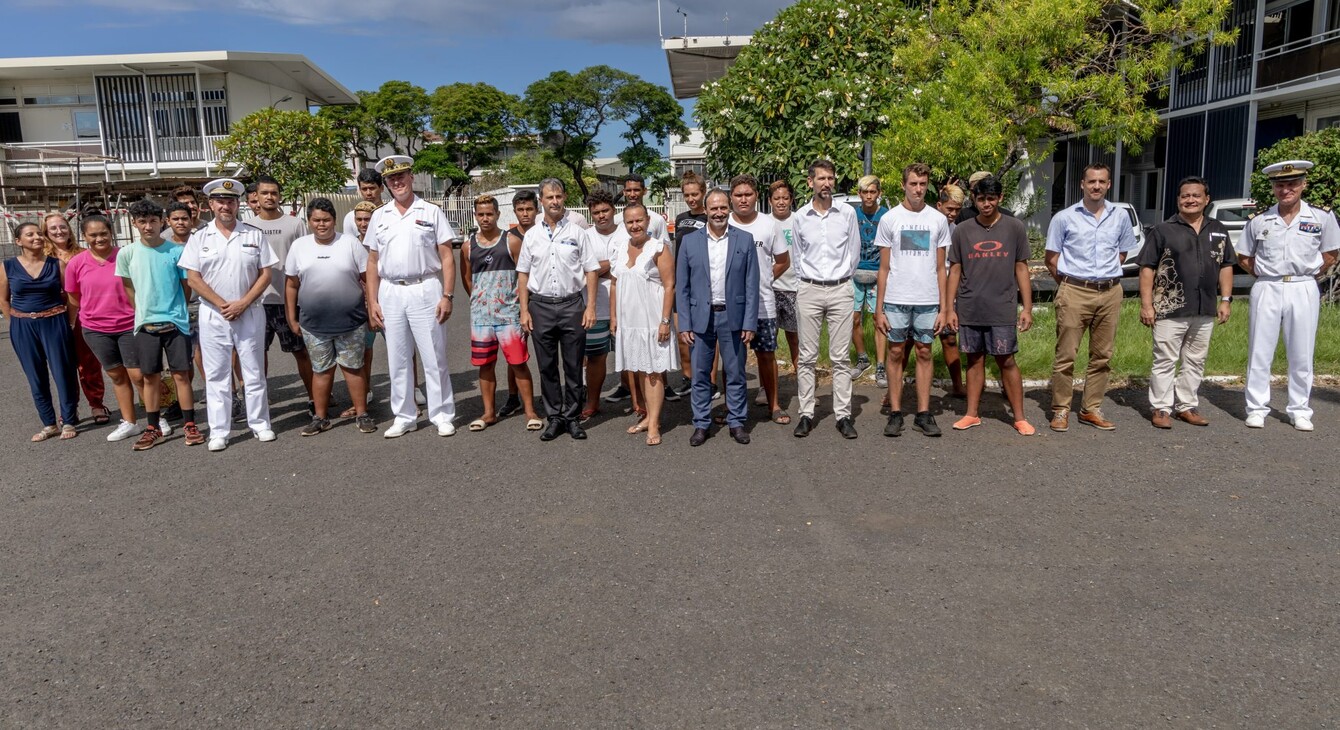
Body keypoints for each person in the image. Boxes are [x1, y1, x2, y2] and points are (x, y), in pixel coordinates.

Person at [1239, 159, 1340, 431]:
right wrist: (1264, 275)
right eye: (1280, 185)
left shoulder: (1321, 217)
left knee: (1301, 351)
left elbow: (1330, 253)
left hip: (1303, 286)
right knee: (1260, 349)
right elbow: (1244, 256)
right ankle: (1256, 407)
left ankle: (1299, 409)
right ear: (1273, 188)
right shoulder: (1260, 220)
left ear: (1303, 185)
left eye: (1292, 184)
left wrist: (1309, 276)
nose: (1286, 190)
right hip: (1268, 286)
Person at [178, 178, 277, 452]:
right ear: (210, 205)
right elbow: (193, 278)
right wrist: (224, 304)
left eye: (231, 201)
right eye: (220, 201)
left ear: (238, 204)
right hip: (214, 314)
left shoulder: (253, 234)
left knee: (253, 370)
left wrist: (243, 303)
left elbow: (266, 273)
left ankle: (260, 423)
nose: (226, 206)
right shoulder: (199, 238)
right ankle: (219, 430)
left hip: (250, 312)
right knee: (217, 374)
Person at [364, 155, 459, 438]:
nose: (397, 181)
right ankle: (404, 415)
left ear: (411, 177)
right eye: (392, 179)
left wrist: (448, 295)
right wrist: (372, 301)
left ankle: (442, 413)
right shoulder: (380, 215)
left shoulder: (430, 211)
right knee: (398, 357)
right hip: (391, 290)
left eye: (402, 176)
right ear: (386, 184)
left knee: (434, 355)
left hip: (425, 287)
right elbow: (372, 261)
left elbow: (447, 256)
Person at [1045, 162, 1140, 432]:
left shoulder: (1120, 216)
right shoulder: (1064, 217)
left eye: (1101, 182)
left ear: (1108, 184)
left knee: (1102, 356)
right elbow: (1051, 258)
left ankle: (1091, 408)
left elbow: (1121, 254)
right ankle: (1061, 409)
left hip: (1110, 292)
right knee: (1066, 356)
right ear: (1082, 184)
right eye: (1091, 181)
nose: (1096, 186)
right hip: (1075, 290)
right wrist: (1069, 285)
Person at [1137, 176, 1235, 429]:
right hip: (1170, 308)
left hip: (1205, 307)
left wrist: (1226, 300)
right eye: (1185, 196)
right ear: (1178, 199)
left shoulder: (1218, 229)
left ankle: (1186, 406)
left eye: (1196, 196)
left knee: (1195, 359)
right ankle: (1161, 407)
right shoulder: (1163, 230)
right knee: (1165, 359)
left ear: (1206, 199)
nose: (1190, 200)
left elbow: (1226, 265)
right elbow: (1147, 268)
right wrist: (1147, 305)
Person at [945, 176, 1035, 435]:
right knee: (974, 360)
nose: (986, 204)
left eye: (991, 198)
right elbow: (955, 269)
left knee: (1006, 360)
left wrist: (1026, 307)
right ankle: (972, 414)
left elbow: (1021, 267)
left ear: (1000, 198)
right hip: (970, 307)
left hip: (1002, 308)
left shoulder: (1014, 227)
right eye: (981, 199)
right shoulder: (962, 229)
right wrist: (950, 308)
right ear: (974, 199)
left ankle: (1019, 417)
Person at [517, 178, 603, 442]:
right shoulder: (531, 235)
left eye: (558, 196)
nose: (554, 201)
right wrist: (524, 310)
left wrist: (590, 307)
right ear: (540, 200)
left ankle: (572, 417)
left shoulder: (578, 233)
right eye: (549, 197)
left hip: (571, 306)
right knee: (547, 366)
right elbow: (523, 274)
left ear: (564, 197)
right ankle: (554, 417)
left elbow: (591, 270)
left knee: (574, 365)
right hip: (540, 306)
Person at [284, 198, 375, 436]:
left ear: (334, 220)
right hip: (313, 324)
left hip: (351, 321)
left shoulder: (350, 244)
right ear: (309, 221)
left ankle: (362, 413)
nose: (321, 224)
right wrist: (291, 318)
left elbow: (368, 279)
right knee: (321, 370)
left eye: (326, 220)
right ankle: (320, 417)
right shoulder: (299, 246)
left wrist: (373, 308)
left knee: (353, 368)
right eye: (316, 220)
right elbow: (292, 285)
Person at [874, 162, 951, 438]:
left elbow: (941, 268)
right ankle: (895, 413)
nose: (918, 189)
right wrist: (878, 307)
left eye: (922, 184)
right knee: (895, 353)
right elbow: (883, 268)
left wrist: (944, 307)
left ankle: (922, 412)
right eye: (913, 184)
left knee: (924, 352)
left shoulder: (938, 220)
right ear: (904, 185)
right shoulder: (890, 219)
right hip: (896, 298)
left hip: (928, 300)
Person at [677, 189, 759, 446]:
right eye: (714, 208)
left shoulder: (744, 240)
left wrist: (749, 322)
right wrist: (685, 323)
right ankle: (701, 423)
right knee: (700, 375)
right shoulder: (690, 241)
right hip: (701, 318)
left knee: (735, 373)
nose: (719, 212)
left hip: (732, 317)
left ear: (729, 208)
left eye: (723, 207)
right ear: (706, 209)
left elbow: (751, 285)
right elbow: (683, 286)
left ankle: (736, 421)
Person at [118, 202, 202, 450]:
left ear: (161, 222)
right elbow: (128, 286)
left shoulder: (176, 251)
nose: (148, 226)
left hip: (176, 322)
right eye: (142, 221)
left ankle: (190, 425)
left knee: (181, 375)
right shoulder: (127, 253)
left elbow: (186, 286)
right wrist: (143, 311)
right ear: (134, 223)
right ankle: (153, 428)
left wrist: (179, 310)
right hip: (145, 325)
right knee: (150, 377)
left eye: (153, 221)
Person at [792, 158, 862, 439]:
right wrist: (804, 285)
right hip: (809, 289)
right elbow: (797, 256)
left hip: (840, 290)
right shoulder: (800, 217)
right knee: (807, 357)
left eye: (830, 178)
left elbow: (854, 253)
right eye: (821, 178)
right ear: (810, 182)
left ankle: (843, 415)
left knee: (841, 357)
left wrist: (842, 279)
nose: (827, 183)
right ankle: (807, 413)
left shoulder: (846, 214)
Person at [460, 193, 541, 432]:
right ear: (475, 216)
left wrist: (519, 307)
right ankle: (489, 413)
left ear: (497, 214)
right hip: (481, 318)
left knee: (518, 364)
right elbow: (467, 279)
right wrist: (481, 300)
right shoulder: (468, 246)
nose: (485, 218)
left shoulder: (512, 241)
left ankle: (530, 411)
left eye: (489, 214)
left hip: (509, 315)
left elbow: (523, 275)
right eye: (480, 214)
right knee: (485, 365)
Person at [65, 214, 143, 442]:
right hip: (96, 329)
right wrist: (73, 324)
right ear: (84, 236)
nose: (99, 238)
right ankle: (130, 422)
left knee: (139, 375)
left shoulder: (127, 256)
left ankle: (156, 417)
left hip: (130, 324)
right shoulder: (76, 263)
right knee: (116, 375)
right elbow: (73, 297)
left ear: (111, 232)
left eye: (103, 233)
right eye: (93, 235)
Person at [1, 221, 79, 441]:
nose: (36, 237)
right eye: (29, 235)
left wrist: (70, 322)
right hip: (23, 326)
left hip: (54, 322)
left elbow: (71, 296)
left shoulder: (57, 264)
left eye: (38, 233)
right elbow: (3, 300)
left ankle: (69, 419)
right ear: (18, 241)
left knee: (63, 372)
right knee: (35, 376)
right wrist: (16, 322)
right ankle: (48, 423)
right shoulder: (7, 267)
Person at [610, 204, 679, 445]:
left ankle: (654, 424)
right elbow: (615, 284)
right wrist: (614, 317)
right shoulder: (619, 248)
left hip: (652, 320)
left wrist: (665, 321)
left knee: (653, 372)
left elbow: (669, 285)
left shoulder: (658, 248)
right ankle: (648, 416)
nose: (635, 225)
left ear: (648, 221)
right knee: (639, 368)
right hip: (629, 321)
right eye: (630, 222)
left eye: (639, 220)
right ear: (625, 224)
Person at [728, 174, 791, 425]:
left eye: (748, 194)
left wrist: (762, 281)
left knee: (766, 355)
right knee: (733, 358)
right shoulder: (723, 222)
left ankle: (774, 405)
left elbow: (783, 260)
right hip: (732, 305)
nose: (743, 199)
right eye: (738, 195)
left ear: (756, 196)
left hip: (764, 303)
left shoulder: (769, 224)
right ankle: (734, 408)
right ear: (731, 197)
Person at [249, 175, 315, 415]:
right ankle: (260, 403)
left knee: (302, 352)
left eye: (274, 193)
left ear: (280, 196)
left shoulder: (295, 224)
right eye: (264, 193)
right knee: (257, 355)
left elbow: (306, 258)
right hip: (258, 302)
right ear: (255, 196)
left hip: (290, 301)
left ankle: (314, 398)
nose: (269, 197)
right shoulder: (247, 226)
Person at [42, 213, 107, 424]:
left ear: (69, 230)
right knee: (63, 364)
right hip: (53, 315)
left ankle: (96, 404)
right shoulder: (41, 256)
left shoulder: (84, 254)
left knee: (89, 362)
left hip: (83, 313)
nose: (59, 231)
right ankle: (70, 409)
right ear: (45, 232)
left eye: (62, 227)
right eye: (53, 229)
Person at [579, 188, 624, 422]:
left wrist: (595, 269)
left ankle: (640, 403)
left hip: (625, 307)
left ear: (613, 210)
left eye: (605, 210)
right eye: (596, 212)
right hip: (594, 307)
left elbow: (628, 266)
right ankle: (592, 402)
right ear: (590, 214)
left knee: (629, 356)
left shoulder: (626, 232)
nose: (601, 216)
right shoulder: (585, 236)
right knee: (596, 357)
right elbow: (582, 270)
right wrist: (605, 268)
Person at [672, 171, 709, 396]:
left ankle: (709, 382)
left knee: (705, 335)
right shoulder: (680, 218)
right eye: (687, 195)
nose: (691, 199)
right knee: (682, 334)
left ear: (703, 192)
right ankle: (689, 378)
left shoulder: (711, 217)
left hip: (702, 283)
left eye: (695, 194)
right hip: (681, 282)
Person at [164, 202, 207, 385]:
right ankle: (182, 400)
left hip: (204, 304)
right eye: (176, 219)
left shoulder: (204, 241)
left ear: (192, 221)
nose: (180, 222)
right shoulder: (162, 245)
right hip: (176, 309)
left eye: (184, 218)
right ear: (168, 221)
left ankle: (227, 395)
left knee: (210, 355)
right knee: (182, 360)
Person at [851, 175, 888, 383]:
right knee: (853, 319)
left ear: (879, 193)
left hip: (878, 273)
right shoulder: (852, 215)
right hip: (855, 272)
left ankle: (881, 365)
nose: (868, 196)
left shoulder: (886, 215)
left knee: (878, 320)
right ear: (859, 194)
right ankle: (862, 358)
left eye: (872, 192)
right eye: (864, 192)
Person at [769, 179, 801, 378]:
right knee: (768, 342)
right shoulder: (763, 222)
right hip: (770, 289)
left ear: (791, 200)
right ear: (770, 200)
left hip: (795, 288)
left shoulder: (800, 220)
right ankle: (766, 387)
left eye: (785, 198)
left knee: (795, 339)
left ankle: (804, 385)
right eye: (776, 198)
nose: (781, 202)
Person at [343, 168, 384, 238]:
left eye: (372, 188)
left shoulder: (390, 214)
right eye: (364, 189)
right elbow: (349, 245)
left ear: (382, 188)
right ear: (360, 190)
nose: (368, 193)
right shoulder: (350, 217)